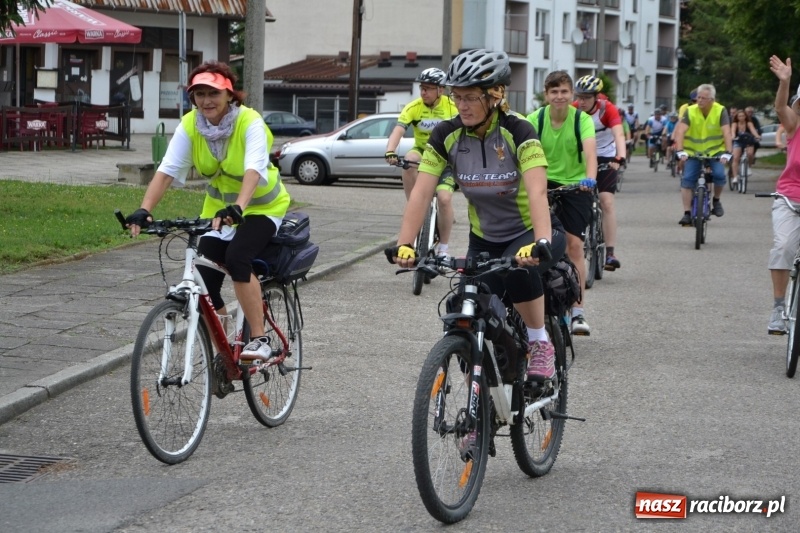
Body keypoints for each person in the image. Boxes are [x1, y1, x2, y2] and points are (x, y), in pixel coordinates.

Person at [388, 49, 567, 381]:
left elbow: (539, 191)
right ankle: (482, 410)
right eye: (457, 97)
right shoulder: (447, 134)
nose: (462, 105)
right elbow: (422, 192)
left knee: (518, 268)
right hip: (484, 239)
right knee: (466, 309)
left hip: (532, 232)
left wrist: (540, 240)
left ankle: (540, 341)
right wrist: (405, 245)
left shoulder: (519, 130)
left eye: (470, 97)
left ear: (495, 96)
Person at [124, 61, 291, 361]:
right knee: (204, 280)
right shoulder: (191, 124)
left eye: (213, 92)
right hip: (219, 212)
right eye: (199, 94)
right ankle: (226, 349)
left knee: (238, 257)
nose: (206, 100)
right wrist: (143, 209)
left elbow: (253, 169)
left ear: (229, 94)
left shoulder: (249, 122)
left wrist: (239, 206)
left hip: (261, 207)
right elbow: (167, 170)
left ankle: (259, 337)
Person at [528, 71, 597, 335]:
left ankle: (578, 312)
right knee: (535, 242)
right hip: (542, 184)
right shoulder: (536, 119)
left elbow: (590, 153)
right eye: (554, 91)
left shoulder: (582, 120)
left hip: (575, 185)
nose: (559, 96)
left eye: (564, 91)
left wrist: (589, 179)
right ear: (546, 95)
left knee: (574, 245)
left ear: (572, 95)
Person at [385, 68, 458, 258]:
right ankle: (415, 208)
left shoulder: (453, 107)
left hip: (446, 158)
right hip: (423, 152)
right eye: (421, 88)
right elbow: (399, 130)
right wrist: (390, 150)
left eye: (428, 88)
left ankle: (443, 248)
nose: (423, 92)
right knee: (409, 159)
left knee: (444, 199)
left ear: (441, 90)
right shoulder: (413, 107)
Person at [573, 75, 627, 272]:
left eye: (587, 97)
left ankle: (610, 253)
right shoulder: (573, 109)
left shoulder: (606, 109)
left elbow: (618, 134)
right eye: (580, 97)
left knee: (606, 201)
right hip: (583, 158)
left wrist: (620, 157)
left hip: (606, 157)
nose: (583, 101)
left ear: (596, 97)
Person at [767, 56, 800, 334]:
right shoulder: (794, 127)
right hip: (790, 199)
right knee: (783, 247)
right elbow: (779, 107)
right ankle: (779, 308)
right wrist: (785, 82)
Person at [673, 84, 733, 226]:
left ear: (712, 99)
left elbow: (726, 133)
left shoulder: (720, 111)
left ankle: (716, 201)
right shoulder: (690, 111)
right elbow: (680, 131)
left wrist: (728, 152)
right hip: (693, 151)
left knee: (719, 175)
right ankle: (687, 213)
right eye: (698, 97)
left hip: (715, 151)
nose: (699, 101)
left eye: (703, 98)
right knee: (687, 179)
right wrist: (680, 150)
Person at [730, 109, 761, 185]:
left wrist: (757, 136)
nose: (741, 117)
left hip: (748, 140)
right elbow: (733, 131)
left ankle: (749, 167)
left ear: (745, 116)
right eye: (739, 116)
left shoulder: (749, 123)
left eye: (743, 116)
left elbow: (753, 130)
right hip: (738, 141)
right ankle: (735, 177)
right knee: (736, 157)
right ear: (737, 117)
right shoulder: (735, 124)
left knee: (750, 154)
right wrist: (733, 136)